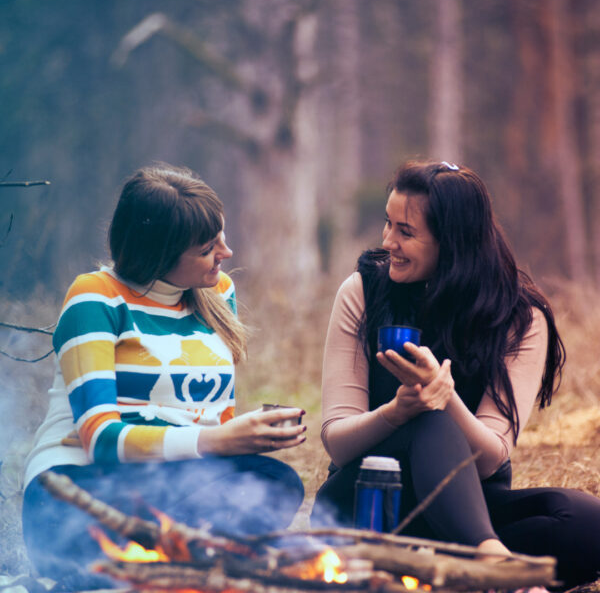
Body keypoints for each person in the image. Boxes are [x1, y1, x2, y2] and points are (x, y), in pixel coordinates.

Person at [311, 160, 600, 588]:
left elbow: (491, 458)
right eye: (387, 224)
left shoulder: (519, 316)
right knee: (425, 418)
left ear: (454, 243)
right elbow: (337, 442)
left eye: (405, 232)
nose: (389, 241)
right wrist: (395, 412)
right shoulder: (363, 292)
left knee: (586, 521)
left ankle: (448, 571)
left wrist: (446, 397)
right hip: (367, 503)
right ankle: (492, 564)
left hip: (466, 505)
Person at [22, 163, 306, 588]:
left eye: (222, 237)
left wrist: (244, 438)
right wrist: (219, 442)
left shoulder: (217, 292)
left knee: (274, 481)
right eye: (209, 248)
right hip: (75, 491)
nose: (225, 254)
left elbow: (214, 418)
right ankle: (127, 568)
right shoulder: (95, 297)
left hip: (172, 485)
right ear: (159, 253)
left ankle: (157, 570)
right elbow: (100, 440)